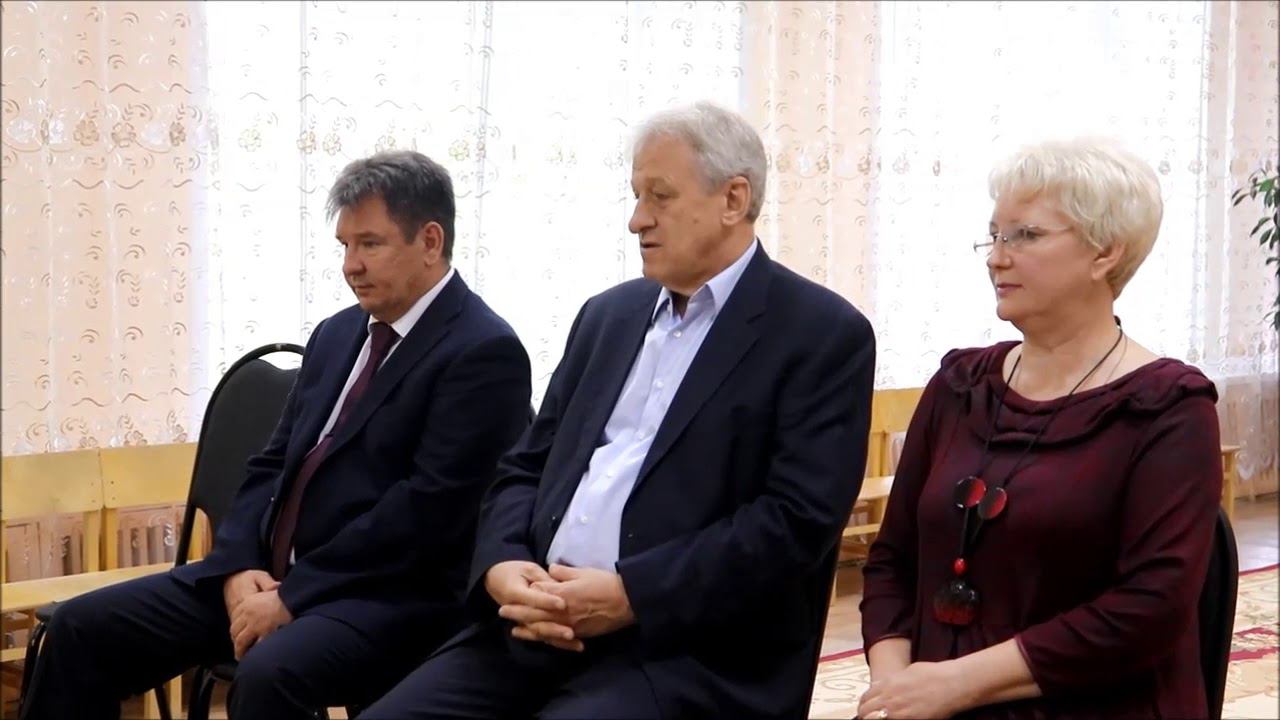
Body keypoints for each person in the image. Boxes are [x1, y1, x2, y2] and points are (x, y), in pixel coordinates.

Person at [362, 101, 877, 719]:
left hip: (684, 650)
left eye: (659, 196)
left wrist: (633, 595)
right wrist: (503, 563)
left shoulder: (820, 335)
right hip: (537, 623)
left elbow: (793, 524)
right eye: (636, 196)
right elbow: (525, 466)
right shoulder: (607, 316)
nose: (637, 220)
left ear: (733, 199)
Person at [22, 151, 533, 719]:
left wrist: (294, 594)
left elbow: (426, 513)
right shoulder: (338, 333)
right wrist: (238, 567)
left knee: (270, 675)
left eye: (370, 244)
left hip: (380, 595)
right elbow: (269, 464)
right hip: (264, 576)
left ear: (430, 241)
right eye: (344, 246)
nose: (351, 266)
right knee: (79, 630)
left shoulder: (483, 351)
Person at [857, 138, 1223, 719]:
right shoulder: (959, 385)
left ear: (1105, 253)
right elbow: (892, 560)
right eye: (994, 235)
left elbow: (1148, 609)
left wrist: (956, 685)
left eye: (1024, 236)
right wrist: (894, 686)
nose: (996, 258)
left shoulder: (1167, 407)